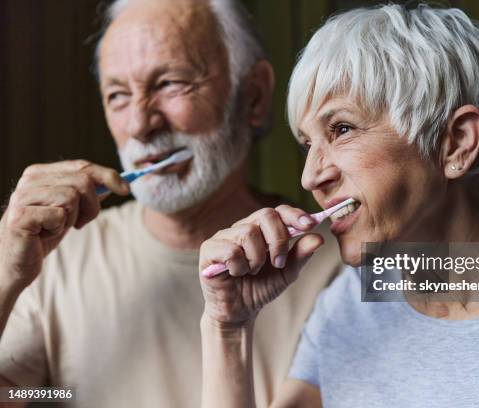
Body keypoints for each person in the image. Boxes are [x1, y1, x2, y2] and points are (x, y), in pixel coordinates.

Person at [197, 3, 479, 407]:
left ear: (456, 144)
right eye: (308, 144)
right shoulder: (351, 301)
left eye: (341, 129)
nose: (310, 177)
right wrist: (227, 327)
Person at [0, 0, 340, 406]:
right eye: (118, 95)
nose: (140, 125)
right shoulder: (54, 262)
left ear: (253, 96)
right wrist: (6, 272)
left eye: (169, 84)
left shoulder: (346, 261)